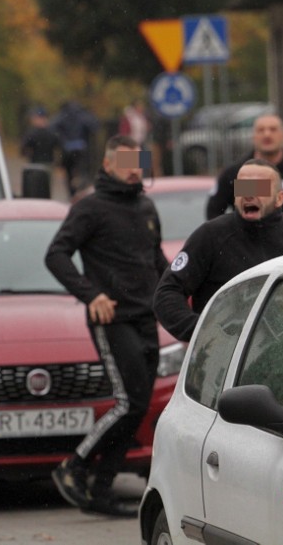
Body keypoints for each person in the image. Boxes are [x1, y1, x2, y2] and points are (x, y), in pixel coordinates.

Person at [45, 134, 168, 517]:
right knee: (128, 402)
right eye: (127, 162)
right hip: (111, 318)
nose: (135, 169)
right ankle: (74, 466)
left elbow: (156, 259)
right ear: (108, 165)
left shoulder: (147, 206)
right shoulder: (90, 208)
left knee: (138, 407)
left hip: (146, 316)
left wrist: (178, 294)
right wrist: (91, 295)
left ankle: (100, 492)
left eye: (140, 162)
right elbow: (56, 255)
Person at [155, 159, 283, 342]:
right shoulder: (211, 236)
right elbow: (167, 293)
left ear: (280, 198)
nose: (249, 195)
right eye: (244, 187)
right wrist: (202, 332)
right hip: (224, 361)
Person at [205, 114, 283, 219]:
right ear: (253, 136)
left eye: (273, 129)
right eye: (261, 130)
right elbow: (214, 211)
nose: (267, 134)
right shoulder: (236, 173)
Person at [51, 101, 99, 196]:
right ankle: (82, 190)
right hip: (82, 149)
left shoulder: (62, 115)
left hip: (67, 150)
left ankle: (71, 193)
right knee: (83, 172)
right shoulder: (83, 115)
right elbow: (94, 126)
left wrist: (62, 140)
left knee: (69, 172)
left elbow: (53, 127)